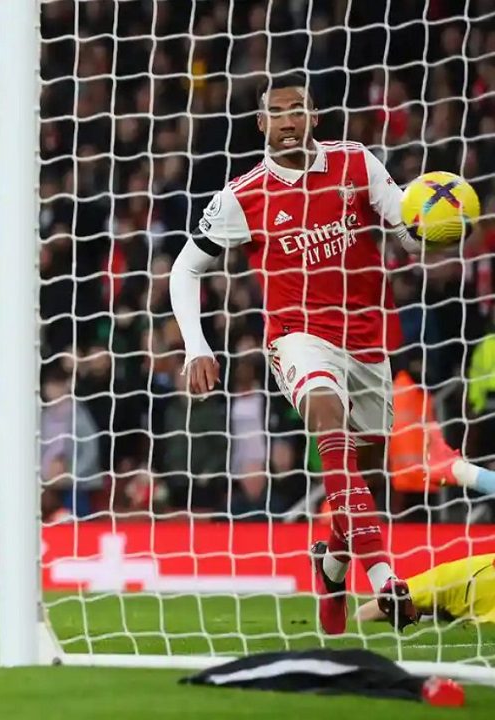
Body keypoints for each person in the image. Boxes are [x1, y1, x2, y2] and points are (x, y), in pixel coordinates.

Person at [168, 72, 495, 636]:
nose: (288, 120)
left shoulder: (357, 162)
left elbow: (407, 232)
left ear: (314, 117)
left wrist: (443, 227)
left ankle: (332, 566)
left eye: (298, 109)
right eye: (277, 112)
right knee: (326, 417)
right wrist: (196, 346)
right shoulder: (241, 196)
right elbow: (184, 269)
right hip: (297, 338)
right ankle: (385, 579)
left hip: (367, 341)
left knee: (363, 481)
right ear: (261, 123)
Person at [355, 553, 495, 627]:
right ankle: (431, 616)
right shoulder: (453, 576)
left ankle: (433, 616)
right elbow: (363, 614)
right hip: (459, 581)